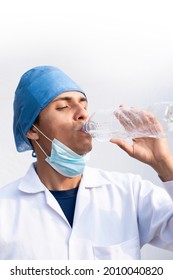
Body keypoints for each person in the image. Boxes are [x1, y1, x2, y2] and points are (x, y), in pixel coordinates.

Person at [0, 65, 173, 260]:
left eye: (84, 105)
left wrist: (164, 164)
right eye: (63, 106)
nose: (83, 113)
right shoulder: (5, 210)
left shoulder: (130, 193)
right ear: (32, 129)